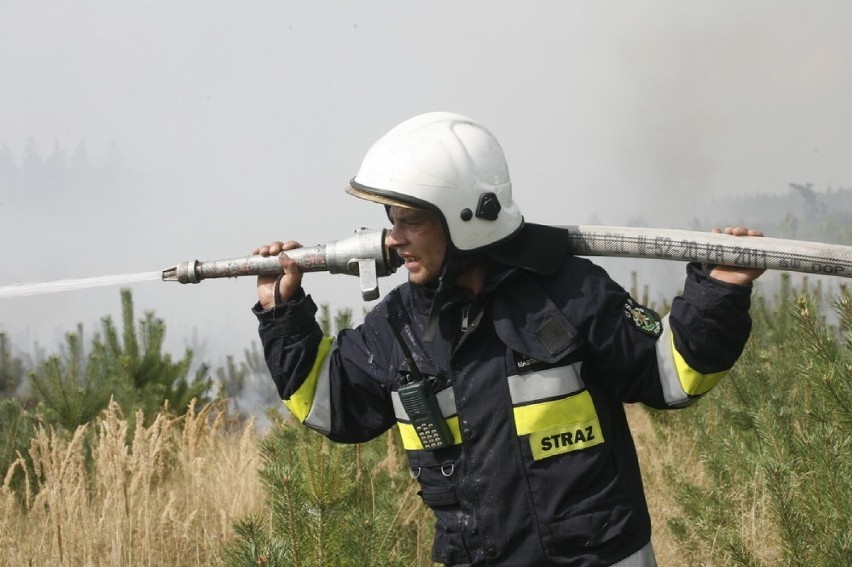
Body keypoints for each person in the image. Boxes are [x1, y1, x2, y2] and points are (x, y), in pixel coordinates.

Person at [251, 111, 763, 566]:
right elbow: (330, 406)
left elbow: (669, 375)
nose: (394, 237)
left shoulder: (569, 292)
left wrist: (717, 296)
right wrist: (282, 315)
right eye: (392, 219)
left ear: (463, 218)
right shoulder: (397, 325)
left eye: (412, 220)